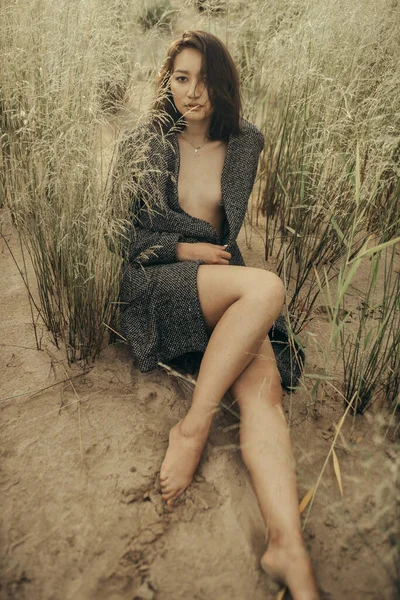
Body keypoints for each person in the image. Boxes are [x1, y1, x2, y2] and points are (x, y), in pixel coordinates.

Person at [118, 30, 319, 600]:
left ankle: (289, 551)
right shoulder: (146, 142)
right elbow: (125, 240)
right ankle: (194, 427)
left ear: (222, 84)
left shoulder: (245, 142)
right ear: (167, 80)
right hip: (159, 283)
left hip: (222, 286)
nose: (192, 92)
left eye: (204, 80)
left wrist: (216, 261)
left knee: (266, 393)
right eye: (181, 78)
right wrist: (184, 250)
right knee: (267, 290)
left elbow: (228, 234)